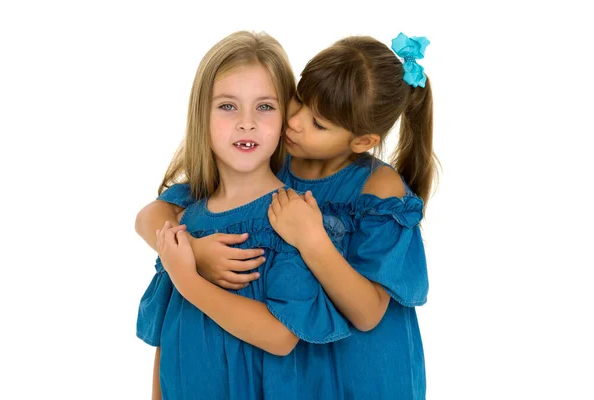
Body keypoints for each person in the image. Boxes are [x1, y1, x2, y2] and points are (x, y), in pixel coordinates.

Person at [137, 32, 437, 399]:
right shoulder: (272, 160)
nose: (295, 123)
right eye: (298, 102)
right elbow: (155, 214)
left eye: (319, 123)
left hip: (366, 369)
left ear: (362, 141)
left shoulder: (378, 187)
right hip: (300, 368)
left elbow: (368, 313)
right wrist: (194, 252)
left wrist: (313, 240)